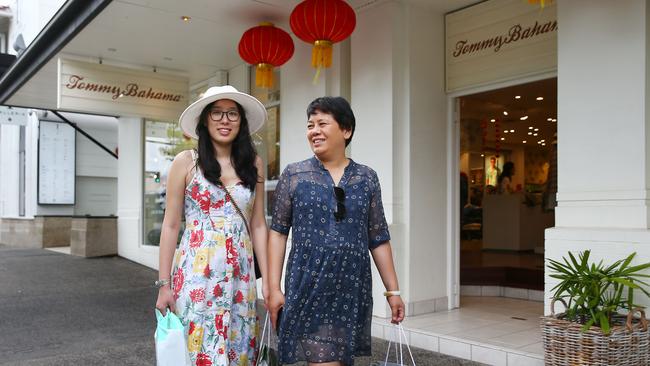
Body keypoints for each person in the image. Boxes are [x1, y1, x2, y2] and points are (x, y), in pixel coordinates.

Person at [267, 96, 405, 366]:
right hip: (308, 285)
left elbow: (378, 238)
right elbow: (278, 232)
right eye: (310, 125)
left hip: (350, 288)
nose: (314, 131)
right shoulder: (294, 175)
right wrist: (273, 287)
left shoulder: (366, 177)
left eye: (322, 123)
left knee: (340, 360)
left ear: (346, 130)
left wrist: (393, 291)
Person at [155, 85, 269, 365]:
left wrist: (269, 282)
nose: (224, 120)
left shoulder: (253, 164)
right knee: (198, 348)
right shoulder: (186, 162)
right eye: (216, 113)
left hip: (241, 277)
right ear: (205, 120)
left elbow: (258, 226)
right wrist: (163, 284)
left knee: (238, 347)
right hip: (197, 275)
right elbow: (170, 225)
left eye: (232, 113)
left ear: (241, 121)